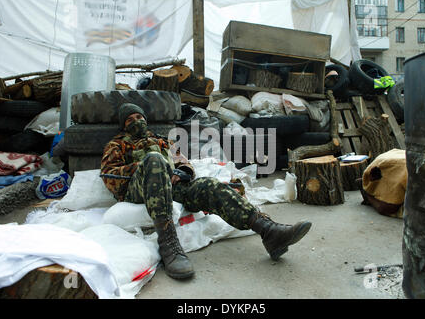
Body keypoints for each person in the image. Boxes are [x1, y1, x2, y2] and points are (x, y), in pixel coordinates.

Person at [100, 103, 312, 280]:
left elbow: (185, 163)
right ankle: (169, 246)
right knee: (154, 160)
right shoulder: (117, 145)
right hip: (138, 189)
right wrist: (147, 167)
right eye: (130, 119)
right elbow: (109, 176)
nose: (136, 121)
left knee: (209, 185)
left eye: (139, 116)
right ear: (124, 126)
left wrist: (182, 172)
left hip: (172, 187)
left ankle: (269, 231)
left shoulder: (163, 141)